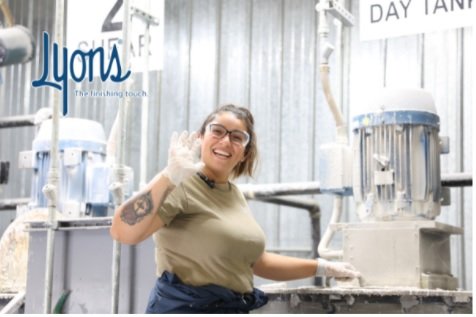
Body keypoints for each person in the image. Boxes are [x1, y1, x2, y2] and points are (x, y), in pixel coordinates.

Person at [110, 104, 361, 313]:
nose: (226, 141)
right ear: (201, 137)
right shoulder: (181, 185)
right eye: (217, 131)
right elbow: (123, 232)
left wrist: (322, 267)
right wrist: (168, 175)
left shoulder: (234, 196)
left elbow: (256, 262)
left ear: (244, 153)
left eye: (237, 137)